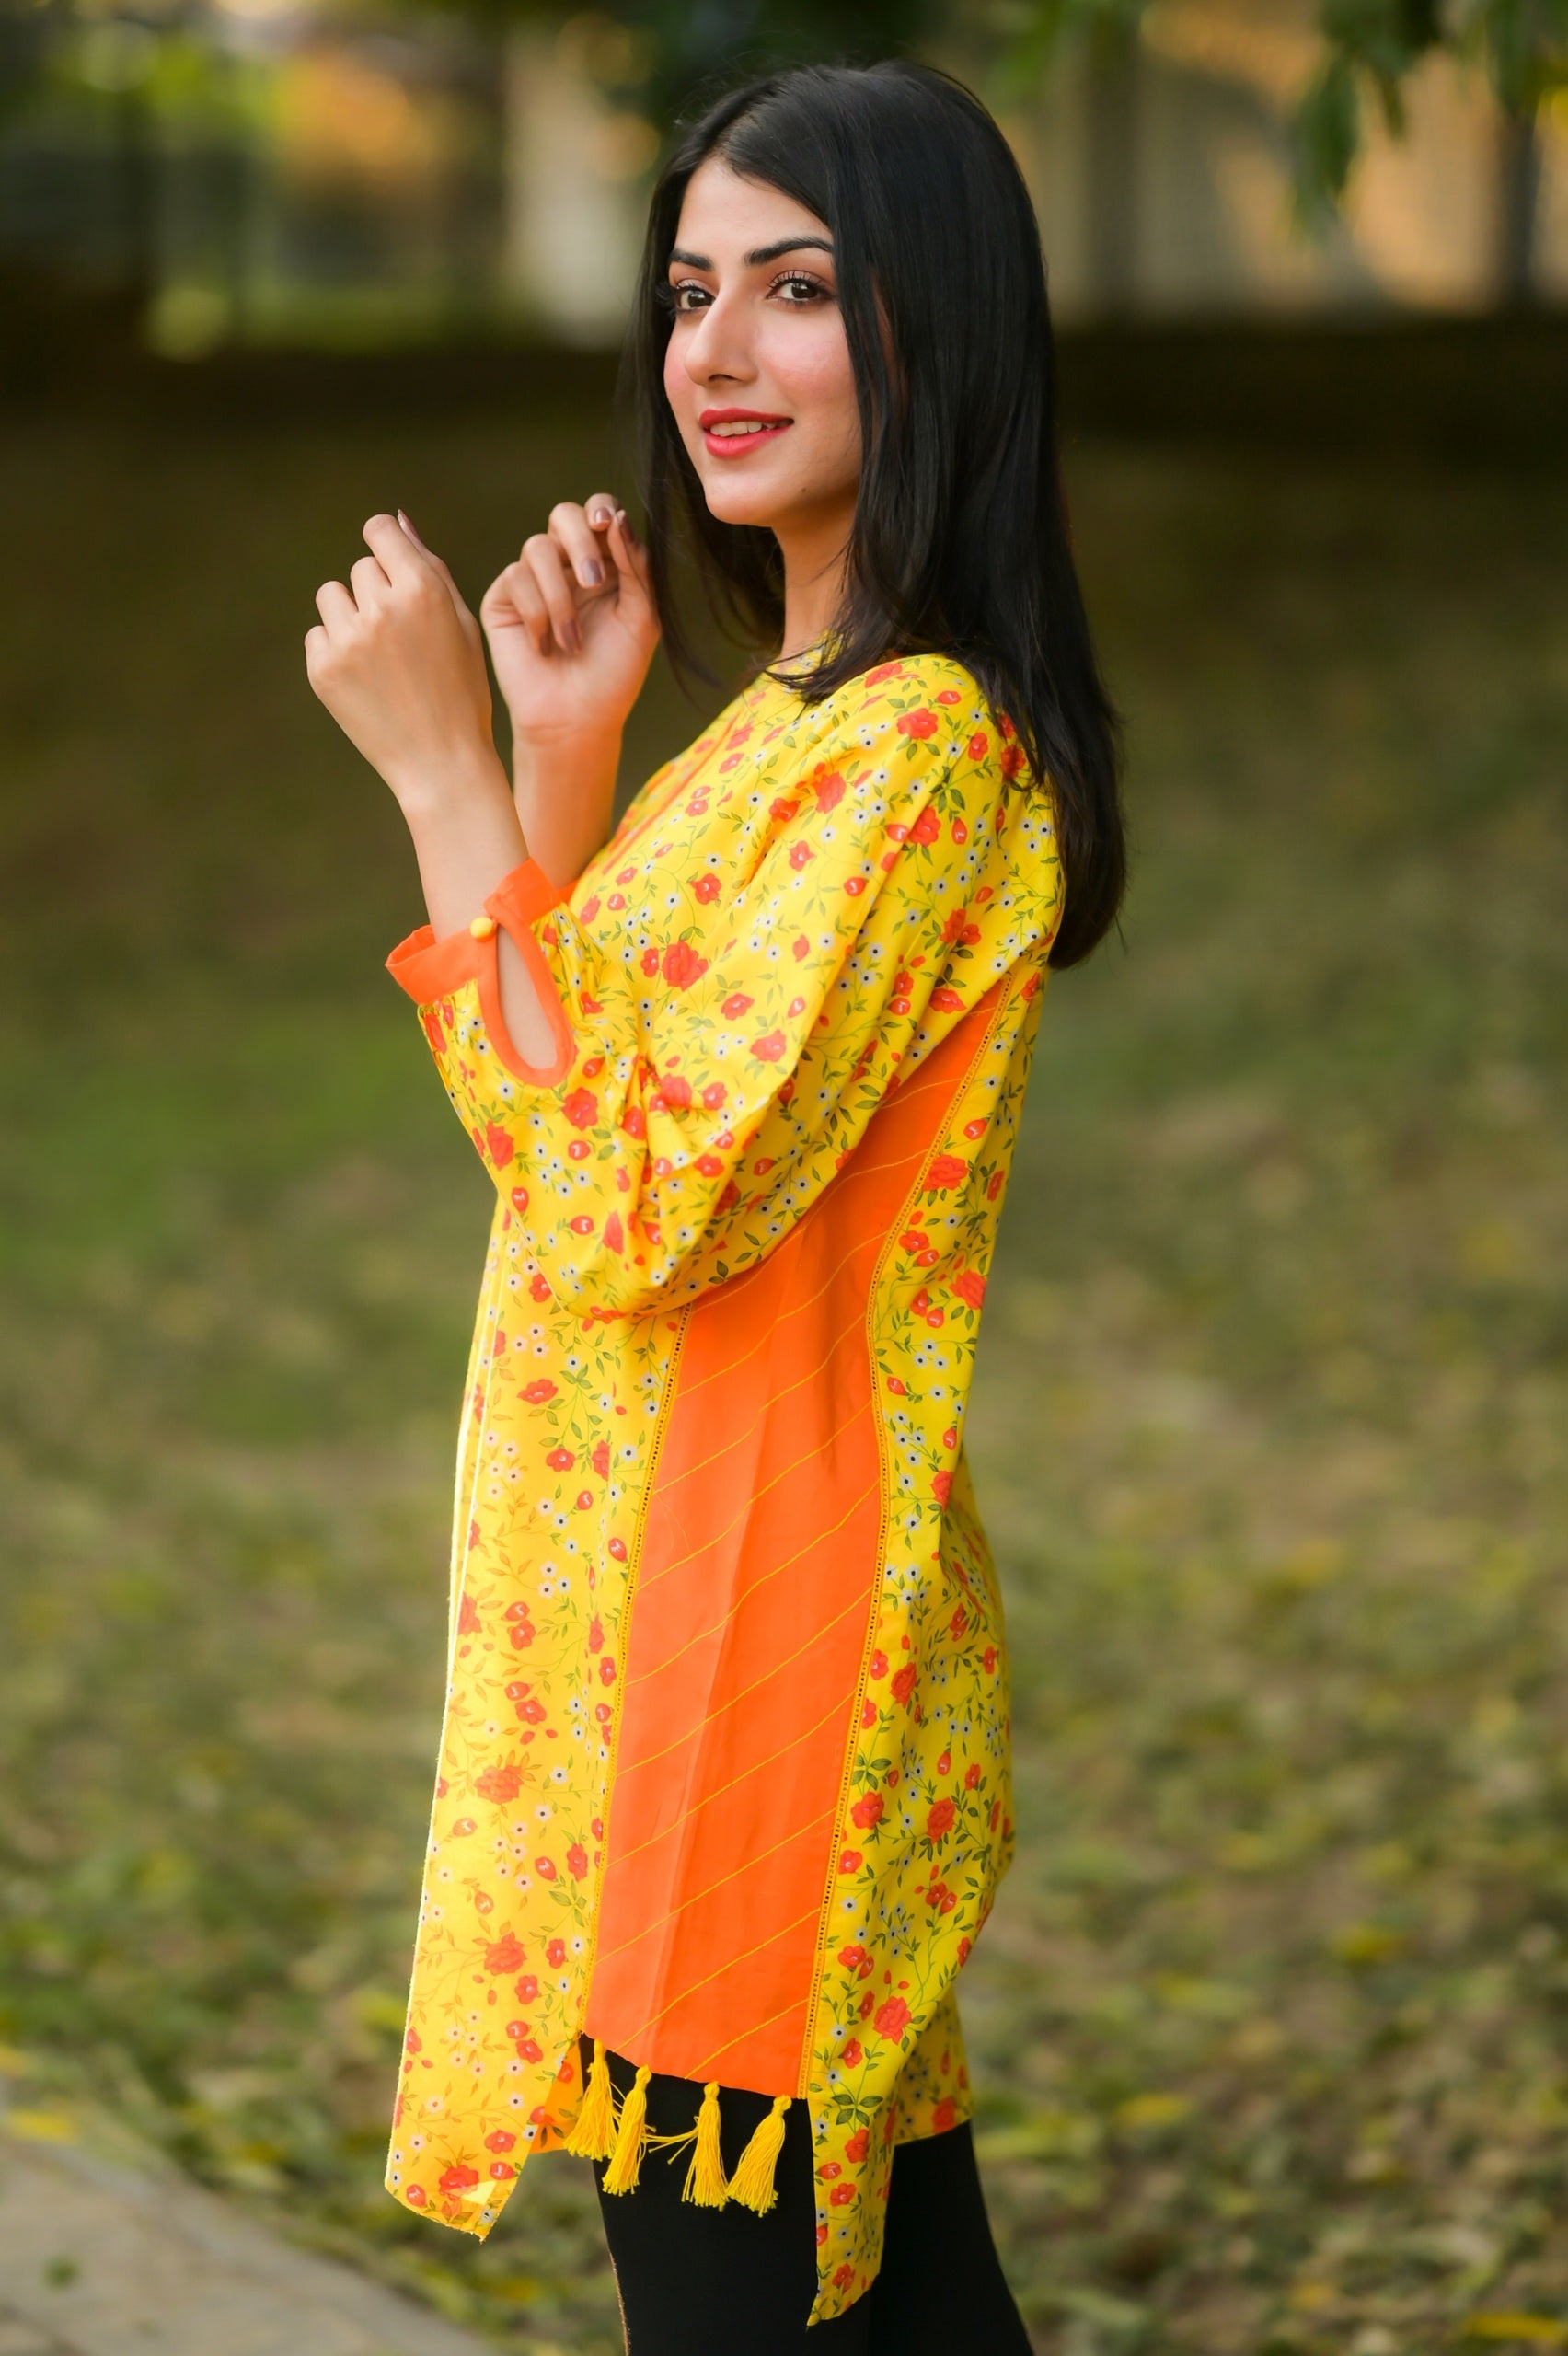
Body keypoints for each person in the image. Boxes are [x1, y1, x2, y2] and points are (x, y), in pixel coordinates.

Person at [305, 57, 1123, 2355]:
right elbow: (579, 1113)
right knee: (894, 2309)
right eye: (688, 294)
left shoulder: (924, 748)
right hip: (660, 1641)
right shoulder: (785, 724)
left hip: (747, 1676)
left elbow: (634, 1199)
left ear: (933, 330)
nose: (717, 355)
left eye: (797, 291)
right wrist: (558, 761)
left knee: (744, 2297)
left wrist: (452, 773)